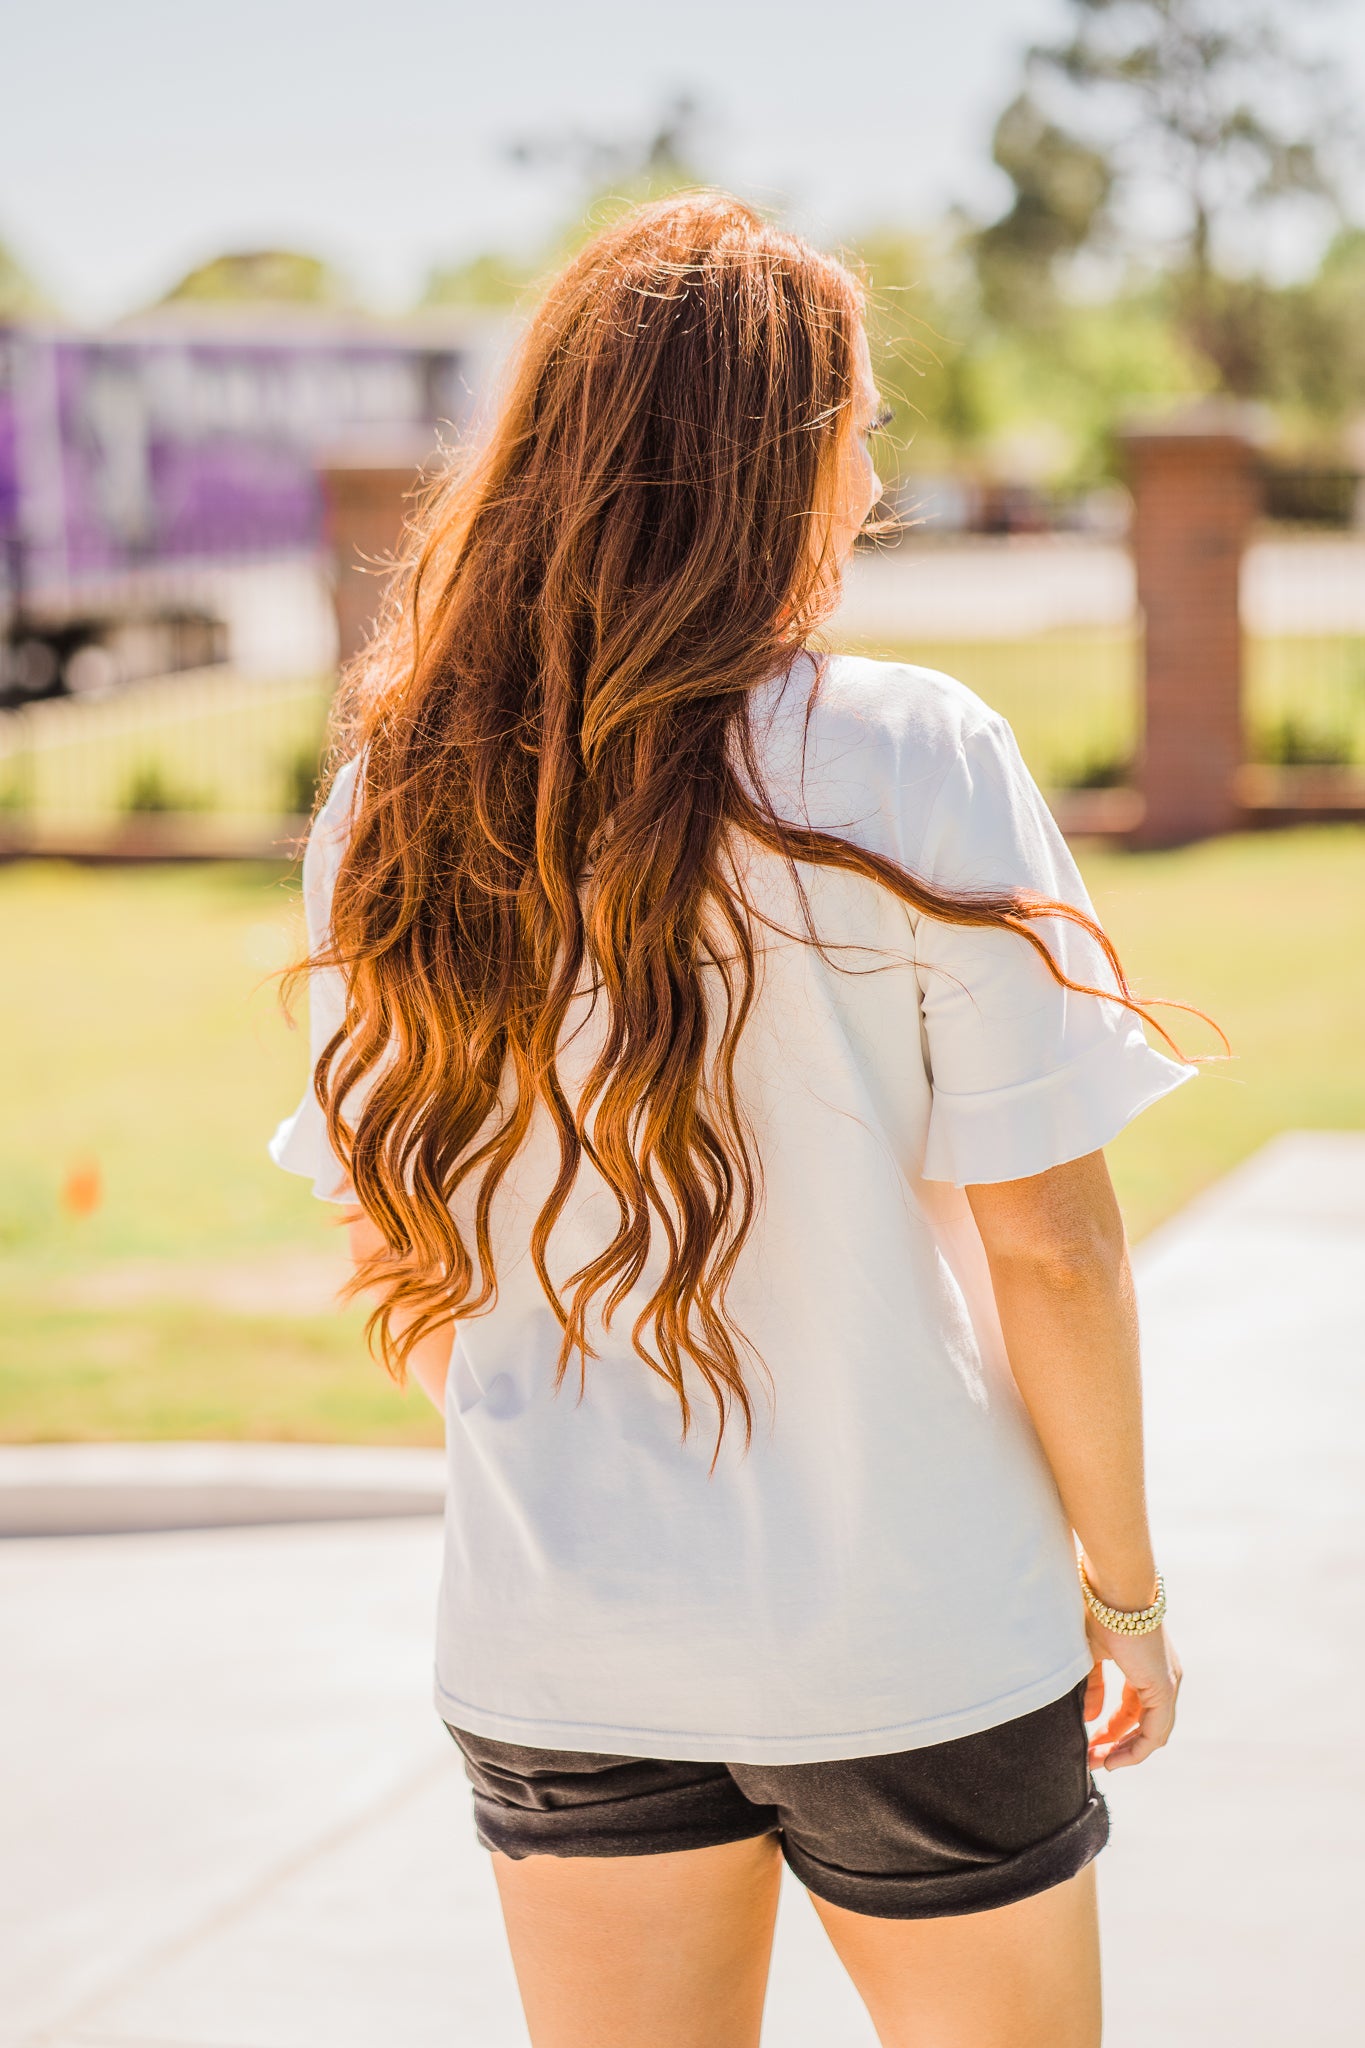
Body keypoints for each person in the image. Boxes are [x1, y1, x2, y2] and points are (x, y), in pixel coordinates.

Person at [271, 193, 1189, 2048]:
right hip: (912, 1633)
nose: (867, 480)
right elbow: (1054, 1245)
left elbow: (398, 1240)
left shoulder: (392, 799)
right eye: (854, 430)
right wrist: (1131, 1594)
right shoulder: (911, 751)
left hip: (559, 1645)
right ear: (779, 461)